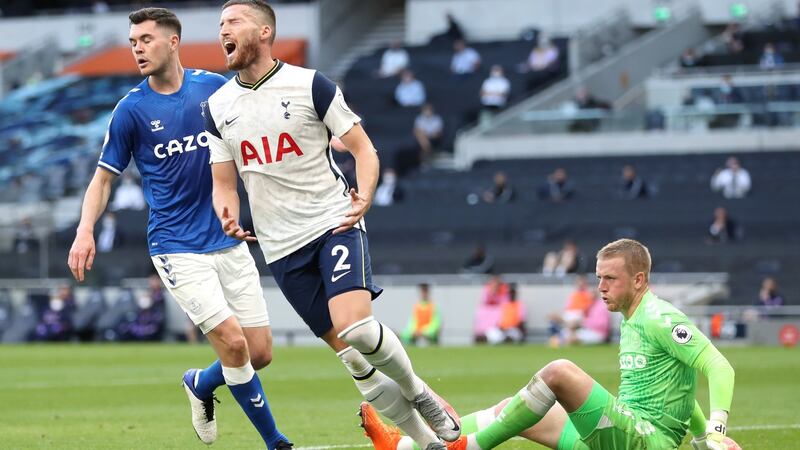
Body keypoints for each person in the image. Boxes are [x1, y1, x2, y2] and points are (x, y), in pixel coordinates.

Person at [205, 2, 460, 448]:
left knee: (357, 329)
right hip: (280, 248)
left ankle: (420, 393)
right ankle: (426, 442)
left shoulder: (310, 85)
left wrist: (365, 195)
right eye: (221, 24)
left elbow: (364, 150)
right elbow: (223, 183)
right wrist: (225, 211)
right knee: (353, 361)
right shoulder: (217, 106)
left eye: (235, 21)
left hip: (333, 221)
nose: (224, 30)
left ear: (265, 32)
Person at [65, 8, 290, 449]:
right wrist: (84, 230)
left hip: (227, 238)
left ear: (173, 42)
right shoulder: (131, 110)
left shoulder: (214, 87)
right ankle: (276, 441)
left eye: (146, 40)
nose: (137, 49)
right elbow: (104, 178)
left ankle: (201, 384)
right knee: (234, 345)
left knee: (259, 352)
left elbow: (261, 116)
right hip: (175, 245)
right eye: (133, 42)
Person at [363, 238, 737, 450]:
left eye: (610, 279)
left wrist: (716, 430)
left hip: (645, 441)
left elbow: (718, 366)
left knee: (559, 373)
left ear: (639, 279)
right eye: (598, 277)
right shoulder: (632, 317)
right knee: (514, 408)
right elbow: (678, 385)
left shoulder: (659, 318)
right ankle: (404, 446)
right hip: (622, 431)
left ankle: (466, 449)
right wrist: (702, 439)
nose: (601, 287)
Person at [473, 274, 510, 343]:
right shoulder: (487, 289)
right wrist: (492, 293)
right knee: (481, 311)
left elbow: (505, 304)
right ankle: (481, 333)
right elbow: (484, 301)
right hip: (488, 312)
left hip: (498, 311)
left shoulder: (504, 290)